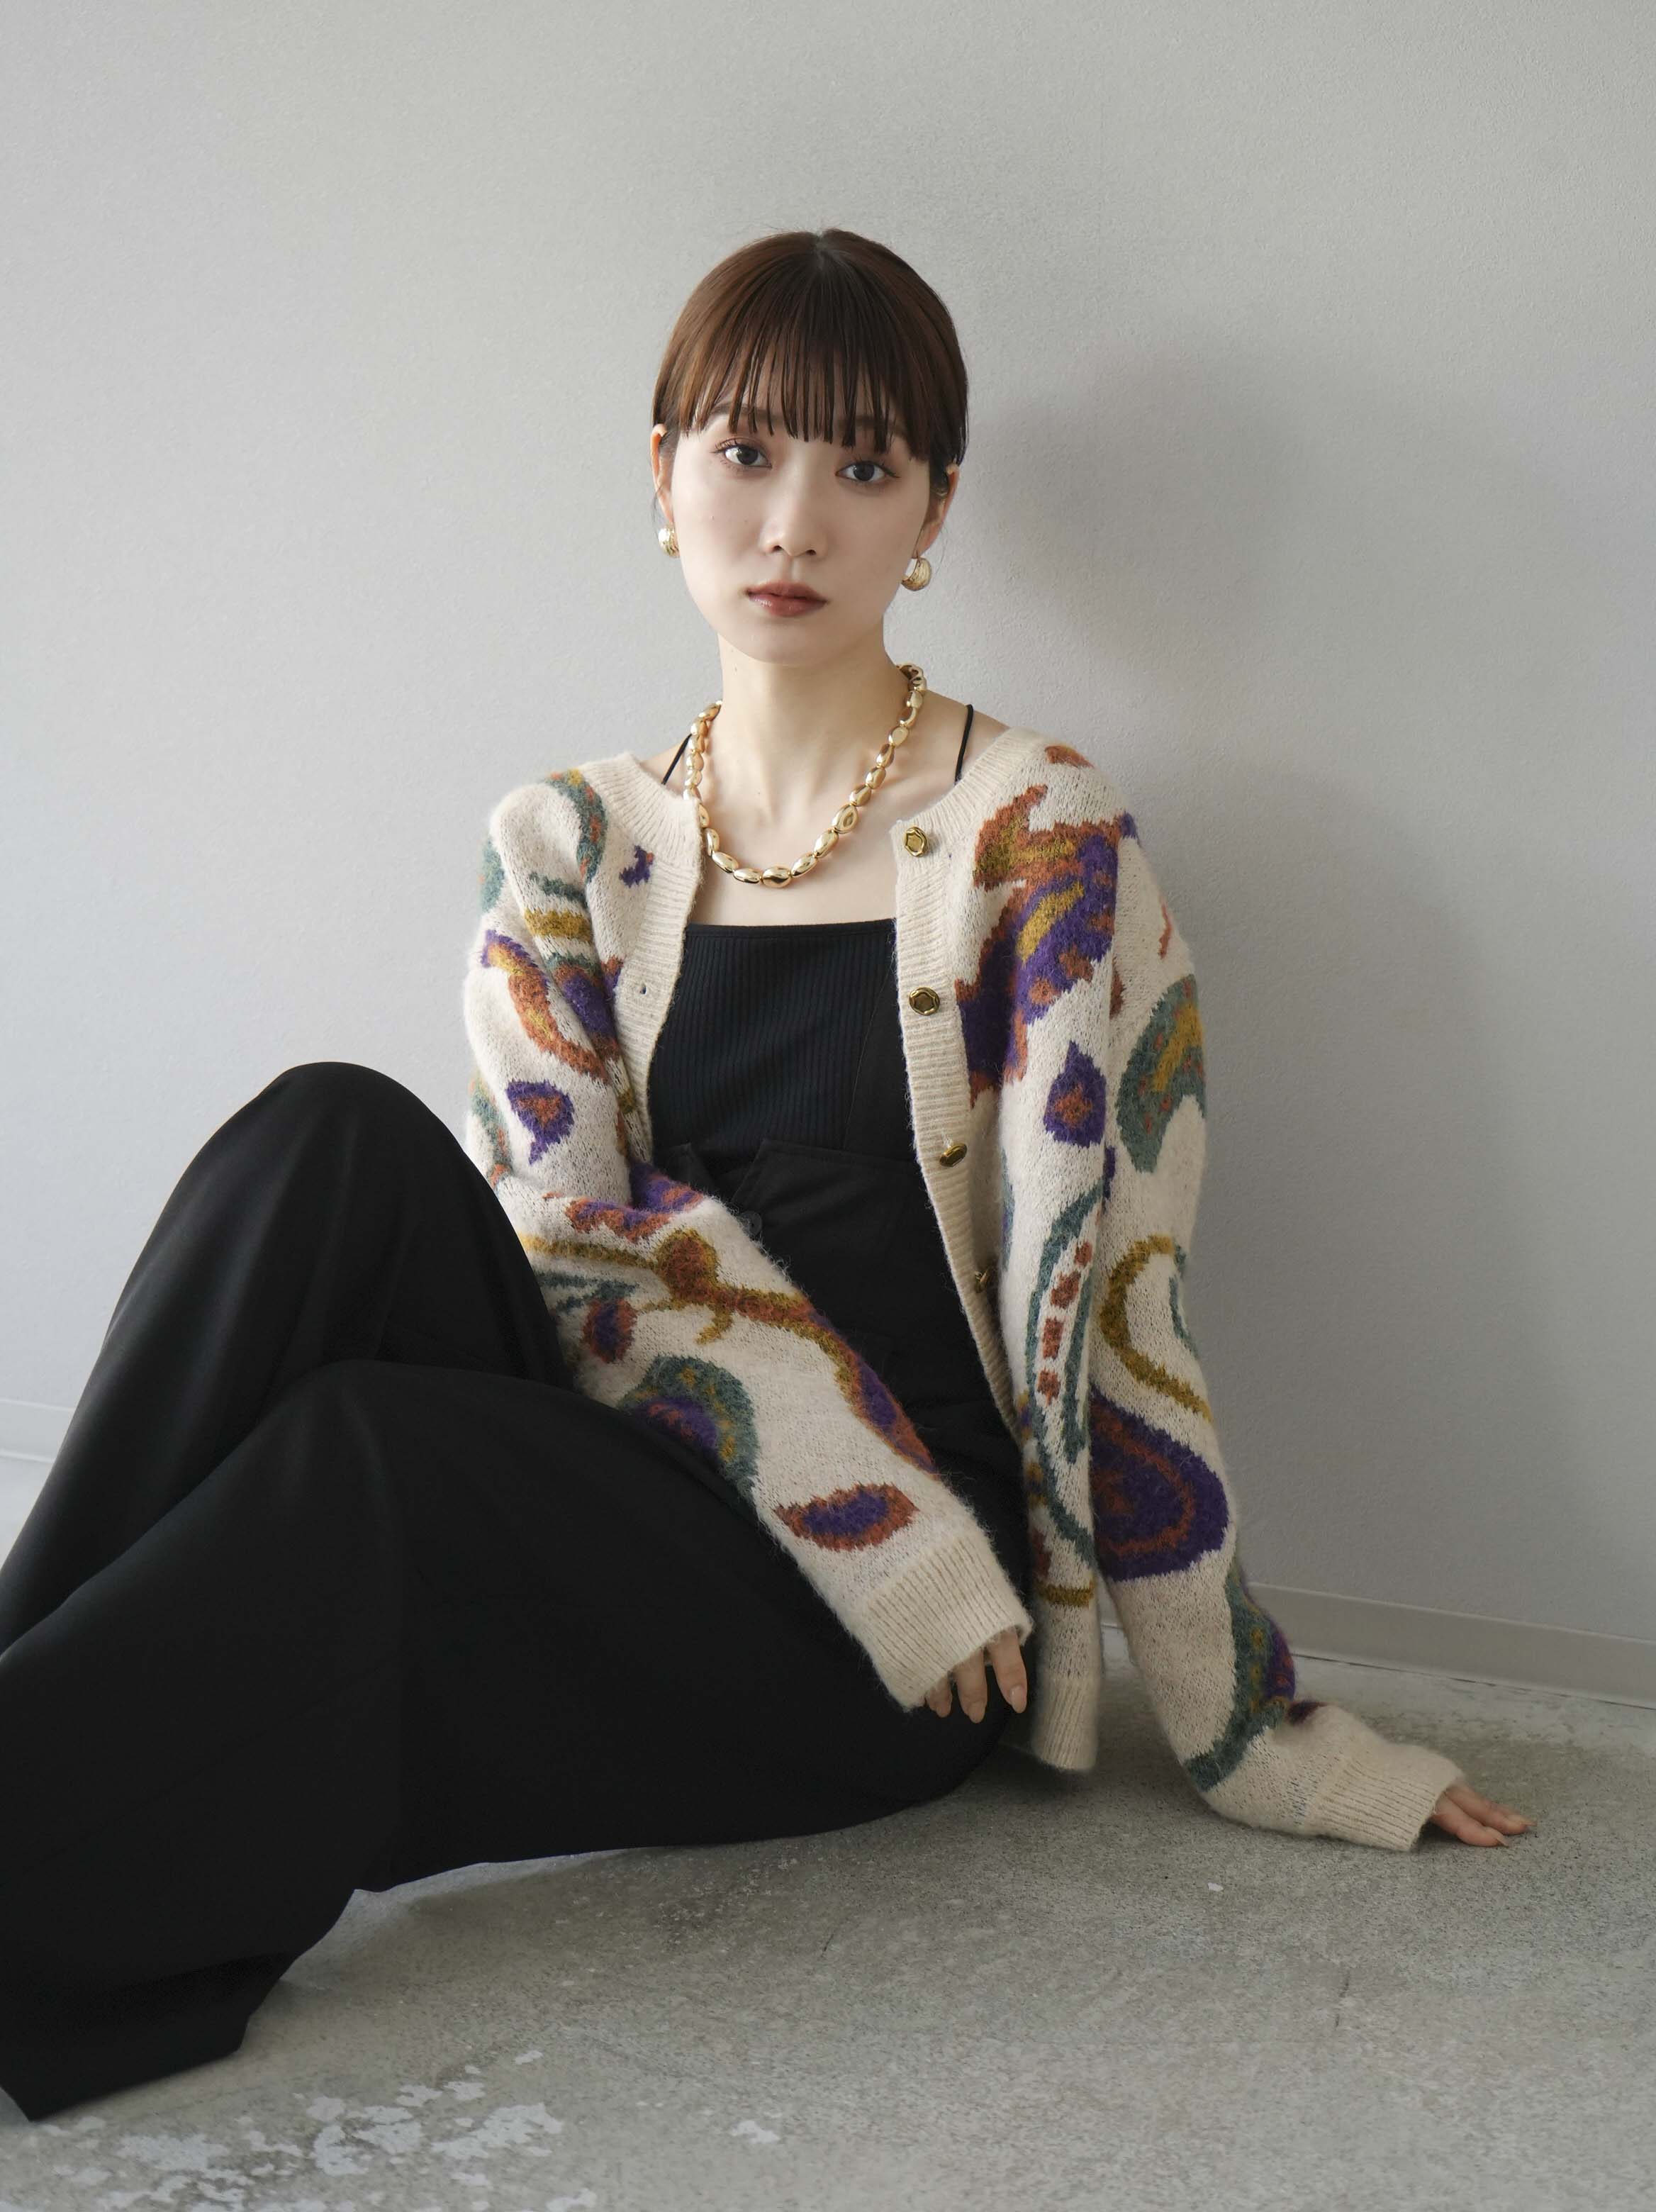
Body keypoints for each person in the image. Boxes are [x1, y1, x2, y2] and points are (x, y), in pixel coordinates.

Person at [0, 225, 1530, 2125]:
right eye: (744, 452)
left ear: (932, 511)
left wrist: (1266, 1737)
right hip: (664, 1475)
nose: (794, 520)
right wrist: (817, 1464)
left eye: (862, 466)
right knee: (326, 1139)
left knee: (370, 1458)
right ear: (663, 475)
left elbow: (1121, 1330)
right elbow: (566, 1241)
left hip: (901, 1632)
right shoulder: (567, 843)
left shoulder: (1043, 844)